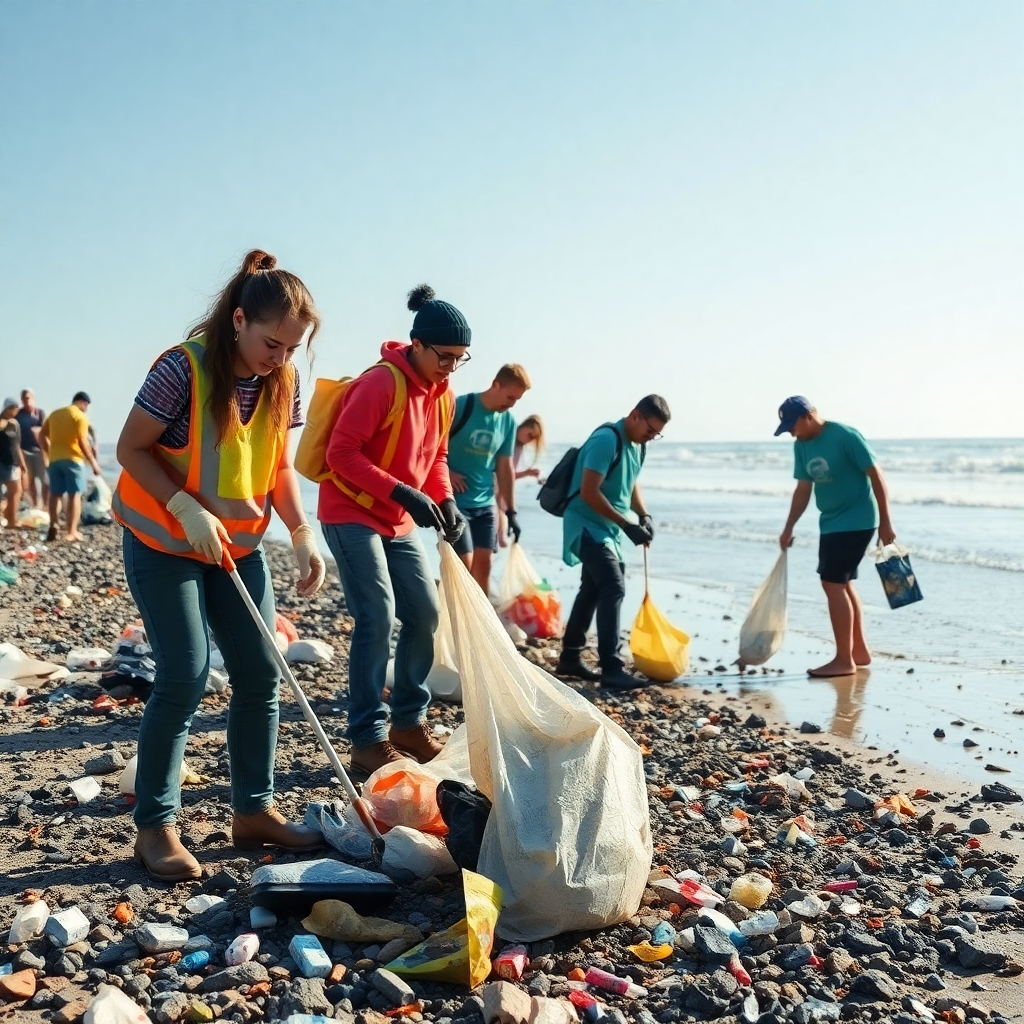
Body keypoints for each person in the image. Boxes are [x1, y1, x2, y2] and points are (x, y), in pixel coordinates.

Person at [111, 249, 327, 882]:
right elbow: (130, 448)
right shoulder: (181, 369)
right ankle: (155, 827)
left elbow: (278, 465)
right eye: (272, 343)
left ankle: (253, 812)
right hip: (162, 541)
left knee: (261, 670)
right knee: (185, 673)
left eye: (292, 348)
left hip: (236, 547)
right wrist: (182, 505)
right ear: (238, 320)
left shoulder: (281, 380)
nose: (281, 358)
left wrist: (301, 529)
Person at [318, 284, 468, 779]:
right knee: (377, 615)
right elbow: (341, 455)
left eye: (460, 359)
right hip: (350, 511)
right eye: (444, 356)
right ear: (417, 345)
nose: (450, 367)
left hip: (396, 520)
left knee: (425, 613)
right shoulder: (381, 383)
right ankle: (367, 737)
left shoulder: (443, 395)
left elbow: (437, 458)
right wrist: (403, 492)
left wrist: (445, 499)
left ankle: (408, 722)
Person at [775, 396, 896, 678]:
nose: (791, 432)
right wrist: (789, 526)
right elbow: (803, 489)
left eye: (792, 425)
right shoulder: (801, 445)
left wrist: (886, 522)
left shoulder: (845, 435)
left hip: (857, 520)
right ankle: (858, 651)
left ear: (808, 416)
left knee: (832, 584)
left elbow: (876, 476)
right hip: (830, 522)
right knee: (841, 584)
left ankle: (844, 660)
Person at [557, 395, 670, 689]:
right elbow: (589, 491)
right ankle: (611, 667)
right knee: (613, 586)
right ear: (635, 415)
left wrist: (642, 515)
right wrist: (626, 525)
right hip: (584, 523)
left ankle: (569, 657)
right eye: (650, 429)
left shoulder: (639, 445)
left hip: (608, 529)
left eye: (657, 434)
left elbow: (630, 482)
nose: (651, 436)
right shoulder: (606, 440)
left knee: (593, 589)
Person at [447, 364, 531, 593]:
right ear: (495, 385)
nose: (512, 404)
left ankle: (478, 627)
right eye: (510, 397)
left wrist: (512, 512)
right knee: (464, 565)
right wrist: (446, 472)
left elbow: (505, 469)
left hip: (485, 504)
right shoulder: (461, 406)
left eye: (517, 400)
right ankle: (448, 621)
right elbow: (430, 445)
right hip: (454, 502)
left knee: (484, 567)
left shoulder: (508, 422)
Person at [39, 391, 103, 543]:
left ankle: (54, 523)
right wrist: (93, 462)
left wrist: (49, 452)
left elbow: (41, 435)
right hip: (73, 459)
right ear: (83, 403)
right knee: (74, 495)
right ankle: (71, 531)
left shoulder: (54, 414)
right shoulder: (80, 416)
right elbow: (82, 441)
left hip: (55, 460)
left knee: (55, 494)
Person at [497, 415, 544, 548]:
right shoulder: (506, 438)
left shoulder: (519, 447)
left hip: (501, 496)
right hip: (491, 492)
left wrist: (527, 473)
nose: (530, 440)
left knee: (500, 541)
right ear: (523, 427)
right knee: (499, 540)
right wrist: (527, 473)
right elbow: (503, 474)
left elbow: (509, 476)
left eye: (533, 439)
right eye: (530, 435)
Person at [15, 389, 47, 508]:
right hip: (24, 450)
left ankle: (45, 505)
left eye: (28, 398)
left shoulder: (40, 413)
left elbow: (46, 431)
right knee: (30, 480)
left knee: (44, 480)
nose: (26, 401)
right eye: (24, 399)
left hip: (39, 451)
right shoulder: (18, 414)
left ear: (33, 398)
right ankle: (34, 504)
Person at [0, 398, 27, 528]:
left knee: (16, 491)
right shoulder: (3, 422)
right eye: (13, 409)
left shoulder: (15, 423)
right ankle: (9, 520)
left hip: (12, 461)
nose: (15, 412)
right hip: (2, 461)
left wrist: (22, 463)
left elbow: (17, 445)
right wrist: (5, 422)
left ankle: (11, 520)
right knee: (12, 491)